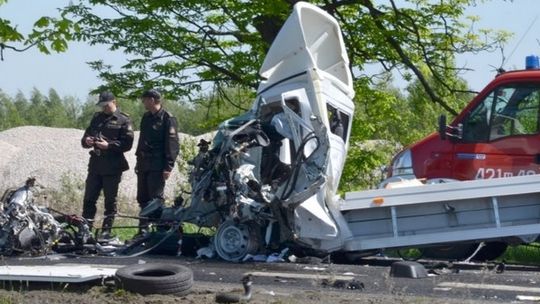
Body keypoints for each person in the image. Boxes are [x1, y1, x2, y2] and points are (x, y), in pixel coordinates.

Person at [81, 91, 134, 240]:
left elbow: (127, 144)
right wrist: (88, 141)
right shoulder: (97, 118)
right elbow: (84, 138)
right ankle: (85, 229)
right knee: (89, 199)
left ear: (114, 102)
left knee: (110, 202)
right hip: (96, 165)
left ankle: (106, 231)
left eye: (107, 105)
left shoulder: (123, 120)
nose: (104, 108)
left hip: (112, 166)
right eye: (102, 106)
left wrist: (108, 146)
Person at [135, 89, 180, 235]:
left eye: (145, 100)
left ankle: (160, 230)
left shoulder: (167, 118)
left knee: (155, 200)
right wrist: (138, 161)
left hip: (157, 164)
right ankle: (143, 231)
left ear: (152, 100)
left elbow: (172, 145)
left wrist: (168, 166)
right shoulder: (146, 117)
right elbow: (142, 140)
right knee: (143, 198)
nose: (143, 103)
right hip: (144, 163)